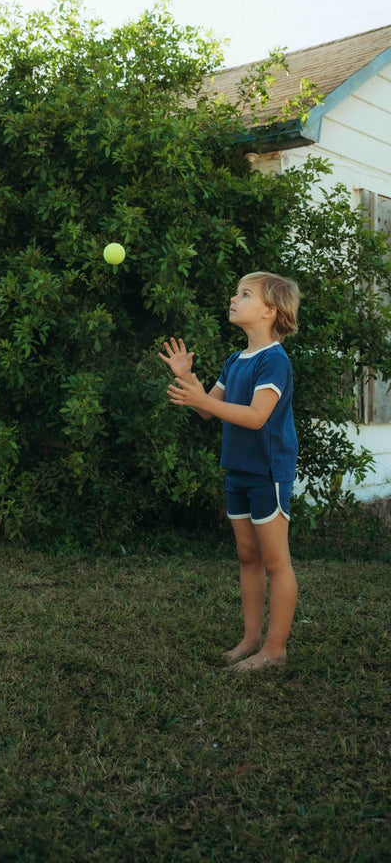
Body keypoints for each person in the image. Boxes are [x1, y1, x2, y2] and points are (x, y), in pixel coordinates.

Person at [159, 272, 300, 673]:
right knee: (247, 556)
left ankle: (275, 651)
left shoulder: (274, 360)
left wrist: (200, 395)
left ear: (270, 311)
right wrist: (187, 378)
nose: (233, 299)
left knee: (276, 562)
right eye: (236, 292)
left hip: (267, 472)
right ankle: (251, 640)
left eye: (244, 294)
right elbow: (208, 408)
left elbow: (256, 417)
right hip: (237, 469)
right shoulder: (236, 360)